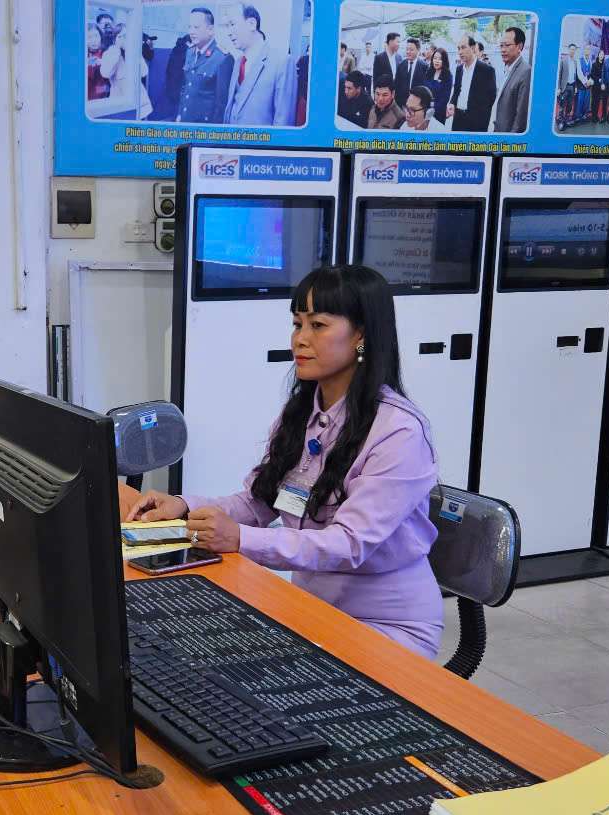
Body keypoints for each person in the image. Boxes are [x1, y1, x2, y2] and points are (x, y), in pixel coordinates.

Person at [127, 265, 442, 658]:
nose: (300, 339)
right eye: (297, 324)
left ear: (360, 335)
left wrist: (239, 539)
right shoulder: (302, 413)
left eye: (318, 325)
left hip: (386, 625)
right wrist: (185, 506)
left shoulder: (399, 431)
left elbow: (348, 544)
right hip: (312, 610)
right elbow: (259, 502)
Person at [221, 2, 295, 126]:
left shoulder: (282, 62)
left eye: (232, 24)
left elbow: (283, 121)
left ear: (252, 24)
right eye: (227, 26)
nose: (228, 32)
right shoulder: (238, 62)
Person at [174, 7, 232, 124]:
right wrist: (180, 115)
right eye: (189, 27)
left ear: (210, 30)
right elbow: (185, 89)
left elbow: (221, 105)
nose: (191, 32)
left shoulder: (222, 58)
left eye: (196, 27)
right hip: (185, 121)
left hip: (204, 128)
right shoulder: (190, 52)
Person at [448, 35, 496, 132]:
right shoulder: (459, 69)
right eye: (458, 48)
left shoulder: (486, 70)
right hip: (458, 119)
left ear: (473, 48)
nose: (460, 52)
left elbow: (491, 98)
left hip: (477, 122)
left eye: (463, 47)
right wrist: (452, 103)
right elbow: (456, 91)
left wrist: (483, 120)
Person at [492, 26, 531, 133]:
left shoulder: (525, 71)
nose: (503, 50)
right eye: (501, 46)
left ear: (519, 46)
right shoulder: (508, 68)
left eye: (507, 45)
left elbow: (521, 118)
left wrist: (511, 141)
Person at [393, 38, 427, 108]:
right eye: (407, 49)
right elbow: (397, 85)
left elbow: (425, 88)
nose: (408, 52)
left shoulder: (424, 66)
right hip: (401, 104)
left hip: (417, 105)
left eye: (411, 50)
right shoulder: (401, 65)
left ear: (418, 50)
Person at [424, 47, 453, 123]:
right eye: (435, 58)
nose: (437, 61)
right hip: (424, 110)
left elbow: (444, 99)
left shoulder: (448, 76)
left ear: (444, 61)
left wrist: (431, 111)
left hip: (438, 114)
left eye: (440, 59)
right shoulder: (428, 72)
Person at [87, 22, 111, 101]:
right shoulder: (81, 56)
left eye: (96, 36)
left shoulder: (107, 53)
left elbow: (109, 85)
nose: (94, 40)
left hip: (103, 99)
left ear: (101, 36)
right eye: (89, 37)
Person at [557, 45, 578, 128]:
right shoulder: (563, 60)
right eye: (571, 49)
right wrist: (558, 88)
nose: (572, 51)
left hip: (572, 86)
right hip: (564, 87)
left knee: (569, 105)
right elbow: (559, 75)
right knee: (562, 105)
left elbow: (575, 76)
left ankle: (566, 119)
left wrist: (575, 87)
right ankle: (560, 121)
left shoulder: (575, 62)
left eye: (574, 50)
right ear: (568, 50)